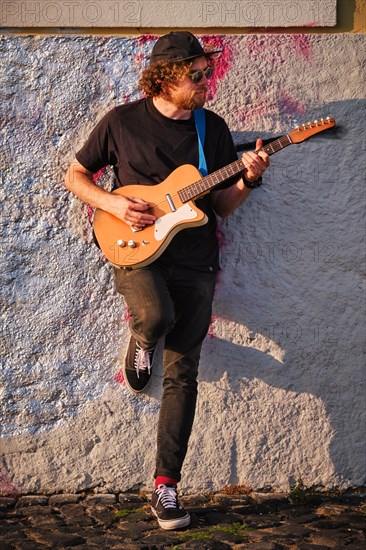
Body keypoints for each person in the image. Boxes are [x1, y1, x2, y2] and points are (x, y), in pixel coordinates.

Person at [64, 31, 269, 530]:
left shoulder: (211, 129)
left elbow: (219, 207)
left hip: (196, 260)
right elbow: (75, 175)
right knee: (154, 315)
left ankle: (166, 488)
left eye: (207, 72)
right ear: (165, 78)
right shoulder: (121, 121)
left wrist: (248, 177)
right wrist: (114, 203)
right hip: (136, 252)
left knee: (183, 375)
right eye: (195, 75)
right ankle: (141, 339)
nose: (206, 81)